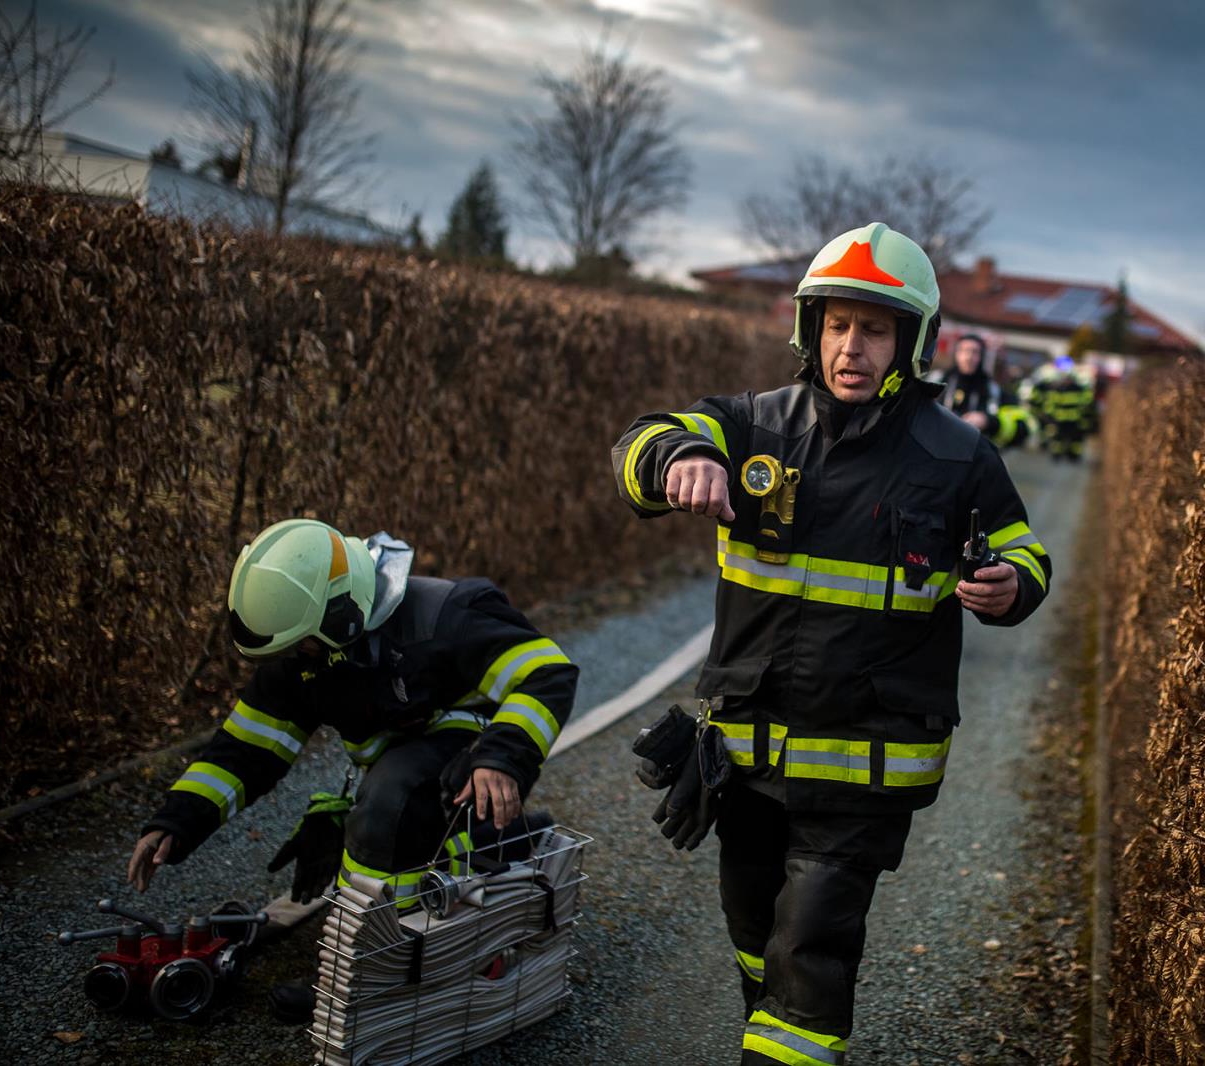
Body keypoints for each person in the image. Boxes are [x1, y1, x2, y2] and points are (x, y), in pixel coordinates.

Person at [611, 222, 1051, 1065]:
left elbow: (1023, 547)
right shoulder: (749, 425)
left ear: (911, 342)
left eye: (875, 329)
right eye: (837, 324)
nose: (852, 347)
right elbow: (639, 440)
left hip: (865, 771)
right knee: (756, 939)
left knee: (809, 953)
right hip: (746, 763)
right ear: (811, 329)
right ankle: (769, 1024)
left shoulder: (957, 457)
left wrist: (1011, 584)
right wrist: (681, 457)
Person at [126, 518, 578, 1020]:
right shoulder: (305, 652)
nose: (295, 658)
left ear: (342, 615)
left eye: (302, 646)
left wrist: (502, 756)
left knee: (391, 805)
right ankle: (497, 852)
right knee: (383, 812)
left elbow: (546, 673)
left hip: (477, 756)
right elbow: (246, 750)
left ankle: (372, 974)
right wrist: (176, 820)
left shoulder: (446, 617)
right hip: (413, 777)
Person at [931, 333, 1000, 433]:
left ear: (981, 357)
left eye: (975, 352)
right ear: (956, 354)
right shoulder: (939, 378)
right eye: (964, 351)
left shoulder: (990, 387)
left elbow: (996, 414)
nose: (968, 357)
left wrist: (986, 420)